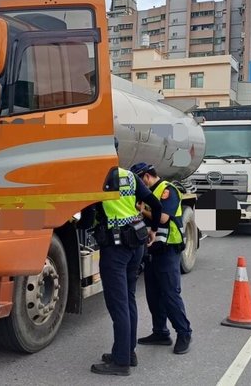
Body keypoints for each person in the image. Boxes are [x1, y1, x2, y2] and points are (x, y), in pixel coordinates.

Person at [80, 142, 163, 376]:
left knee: (118, 305)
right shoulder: (130, 176)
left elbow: (86, 221)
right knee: (128, 299)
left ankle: (120, 363)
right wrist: (153, 229)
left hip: (115, 249)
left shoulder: (98, 179)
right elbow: (155, 205)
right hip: (136, 243)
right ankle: (129, 352)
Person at [130, 162, 193, 355]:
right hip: (152, 249)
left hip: (168, 248)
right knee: (153, 294)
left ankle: (184, 333)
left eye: (140, 181)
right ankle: (160, 332)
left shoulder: (167, 190)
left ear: (146, 177)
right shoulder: (150, 193)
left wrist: (142, 210)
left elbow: (164, 217)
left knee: (170, 293)